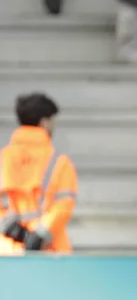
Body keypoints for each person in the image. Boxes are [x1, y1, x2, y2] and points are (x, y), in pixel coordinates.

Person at [0, 93, 77, 254]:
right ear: (44, 122)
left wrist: (14, 231)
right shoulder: (59, 162)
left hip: (7, 251)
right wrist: (39, 236)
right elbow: (63, 206)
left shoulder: (3, 158)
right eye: (53, 121)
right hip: (50, 252)